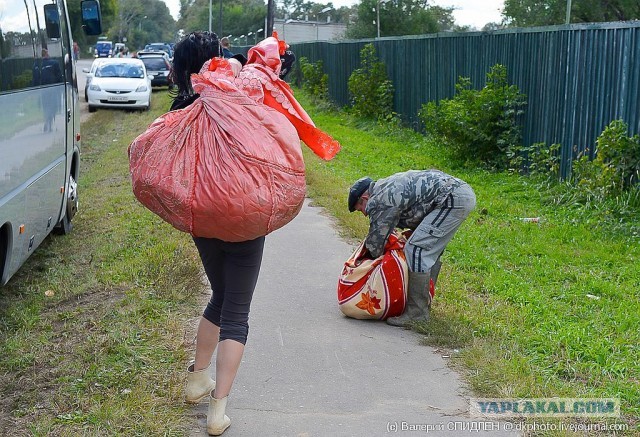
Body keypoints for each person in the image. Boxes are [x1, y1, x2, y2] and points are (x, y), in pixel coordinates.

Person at [168, 31, 259, 436]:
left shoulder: (180, 106)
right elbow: (268, 72)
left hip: (202, 218)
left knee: (219, 296)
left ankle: (196, 380)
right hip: (242, 215)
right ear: (214, 62)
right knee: (236, 310)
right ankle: (217, 411)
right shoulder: (236, 100)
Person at [348, 170, 476, 326]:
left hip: (452, 198)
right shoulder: (385, 187)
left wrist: (362, 266)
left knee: (417, 250)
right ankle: (423, 302)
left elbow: (376, 244)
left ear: (364, 198)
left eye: (361, 208)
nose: (364, 214)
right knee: (427, 248)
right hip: (456, 194)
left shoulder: (379, 200)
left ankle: (417, 313)